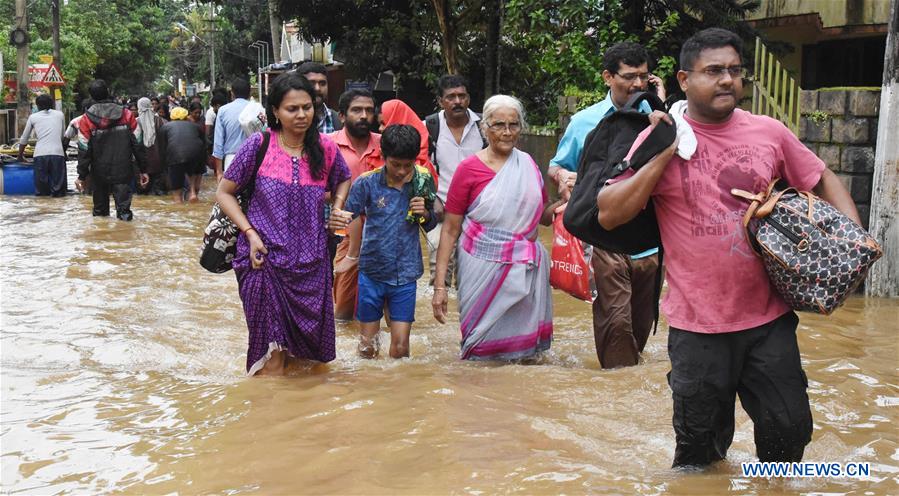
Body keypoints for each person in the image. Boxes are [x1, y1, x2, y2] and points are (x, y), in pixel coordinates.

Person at [597, 28, 862, 467]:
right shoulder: (660, 137)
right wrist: (665, 152)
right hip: (697, 326)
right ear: (684, 79)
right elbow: (609, 212)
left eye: (735, 72)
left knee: (789, 432)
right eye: (714, 71)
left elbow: (820, 178)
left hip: (768, 318)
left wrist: (854, 243)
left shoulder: (769, 132)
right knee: (699, 453)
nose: (727, 81)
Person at [215, 73, 351, 376]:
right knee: (272, 360)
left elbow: (343, 179)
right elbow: (224, 193)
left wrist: (337, 209)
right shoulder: (258, 145)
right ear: (275, 111)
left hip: (313, 266)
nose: (302, 115)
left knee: (307, 363)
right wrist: (249, 234)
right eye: (292, 109)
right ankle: (266, 419)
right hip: (263, 262)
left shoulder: (325, 148)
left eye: (307, 107)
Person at [548, 41, 667, 369]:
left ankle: (626, 391)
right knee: (616, 324)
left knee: (641, 328)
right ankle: (619, 390)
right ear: (607, 77)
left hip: (650, 244)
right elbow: (556, 165)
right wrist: (564, 178)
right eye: (629, 77)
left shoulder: (657, 118)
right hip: (605, 241)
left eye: (644, 77)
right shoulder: (585, 122)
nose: (638, 84)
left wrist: (664, 103)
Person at [431, 95, 560, 361]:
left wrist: (567, 203)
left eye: (513, 125)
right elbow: (451, 229)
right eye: (499, 125)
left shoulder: (528, 165)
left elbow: (542, 217)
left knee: (525, 358)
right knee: (479, 350)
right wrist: (440, 287)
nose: (507, 132)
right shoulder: (468, 170)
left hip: (525, 269)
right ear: (485, 128)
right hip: (479, 268)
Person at [330, 124, 438, 358]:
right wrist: (349, 252)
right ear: (383, 157)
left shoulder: (422, 181)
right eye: (395, 164)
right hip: (371, 272)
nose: (401, 171)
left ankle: (398, 391)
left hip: (406, 275)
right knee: (368, 348)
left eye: (407, 166)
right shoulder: (366, 183)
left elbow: (430, 223)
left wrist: (426, 213)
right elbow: (350, 216)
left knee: (400, 348)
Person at [423, 75, 485, 289]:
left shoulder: (485, 128)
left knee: (473, 274)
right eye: (451, 97)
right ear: (441, 101)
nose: (457, 101)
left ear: (468, 98)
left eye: (462, 96)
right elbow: (418, 168)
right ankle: (440, 318)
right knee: (439, 271)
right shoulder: (429, 127)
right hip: (442, 212)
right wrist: (431, 200)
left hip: (478, 214)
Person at [327, 89, 382, 321]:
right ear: (342, 115)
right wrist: (347, 198)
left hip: (384, 234)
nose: (364, 116)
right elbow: (313, 187)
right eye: (357, 110)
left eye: (369, 110)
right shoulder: (327, 145)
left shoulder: (385, 144)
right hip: (345, 234)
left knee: (385, 307)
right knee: (342, 312)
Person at [76, 79, 148, 220]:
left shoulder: (85, 119)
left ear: (91, 96)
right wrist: (143, 169)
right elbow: (138, 143)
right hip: (123, 170)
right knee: (124, 213)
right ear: (108, 92)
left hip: (98, 172)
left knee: (100, 214)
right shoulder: (127, 115)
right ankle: (125, 238)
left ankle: (103, 239)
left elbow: (84, 150)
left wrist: (82, 176)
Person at [18, 94, 66, 197]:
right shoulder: (60, 115)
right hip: (58, 154)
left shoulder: (33, 117)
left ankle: (43, 211)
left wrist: (20, 156)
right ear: (52, 104)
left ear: (38, 106)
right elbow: (62, 136)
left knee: (41, 193)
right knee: (58, 192)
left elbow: (24, 139)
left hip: (40, 155)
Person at [158, 107, 205, 203]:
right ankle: (192, 192)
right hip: (196, 155)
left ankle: (179, 209)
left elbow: (162, 150)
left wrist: (165, 169)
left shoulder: (165, 127)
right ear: (186, 117)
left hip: (175, 156)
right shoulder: (195, 126)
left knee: (176, 191)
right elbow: (203, 145)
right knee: (192, 169)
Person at [212, 78, 251, 180]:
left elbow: (218, 143)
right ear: (249, 92)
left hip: (231, 159)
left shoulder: (223, 111)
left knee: (229, 194)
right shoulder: (257, 109)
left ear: (232, 93)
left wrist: (219, 172)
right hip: (253, 158)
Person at [295, 62, 342, 134]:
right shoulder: (290, 120)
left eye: (322, 83)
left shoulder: (338, 121)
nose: (317, 88)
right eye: (311, 83)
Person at [135, 97, 168, 196]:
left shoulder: (135, 122)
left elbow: (135, 144)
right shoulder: (162, 121)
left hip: (142, 164)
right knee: (160, 194)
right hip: (160, 162)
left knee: (143, 193)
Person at [187, 101, 209, 195]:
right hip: (190, 151)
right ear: (190, 112)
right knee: (191, 173)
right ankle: (192, 192)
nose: (197, 114)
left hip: (201, 151)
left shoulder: (202, 120)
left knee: (199, 173)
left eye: (199, 112)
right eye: (195, 112)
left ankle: (196, 192)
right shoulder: (186, 121)